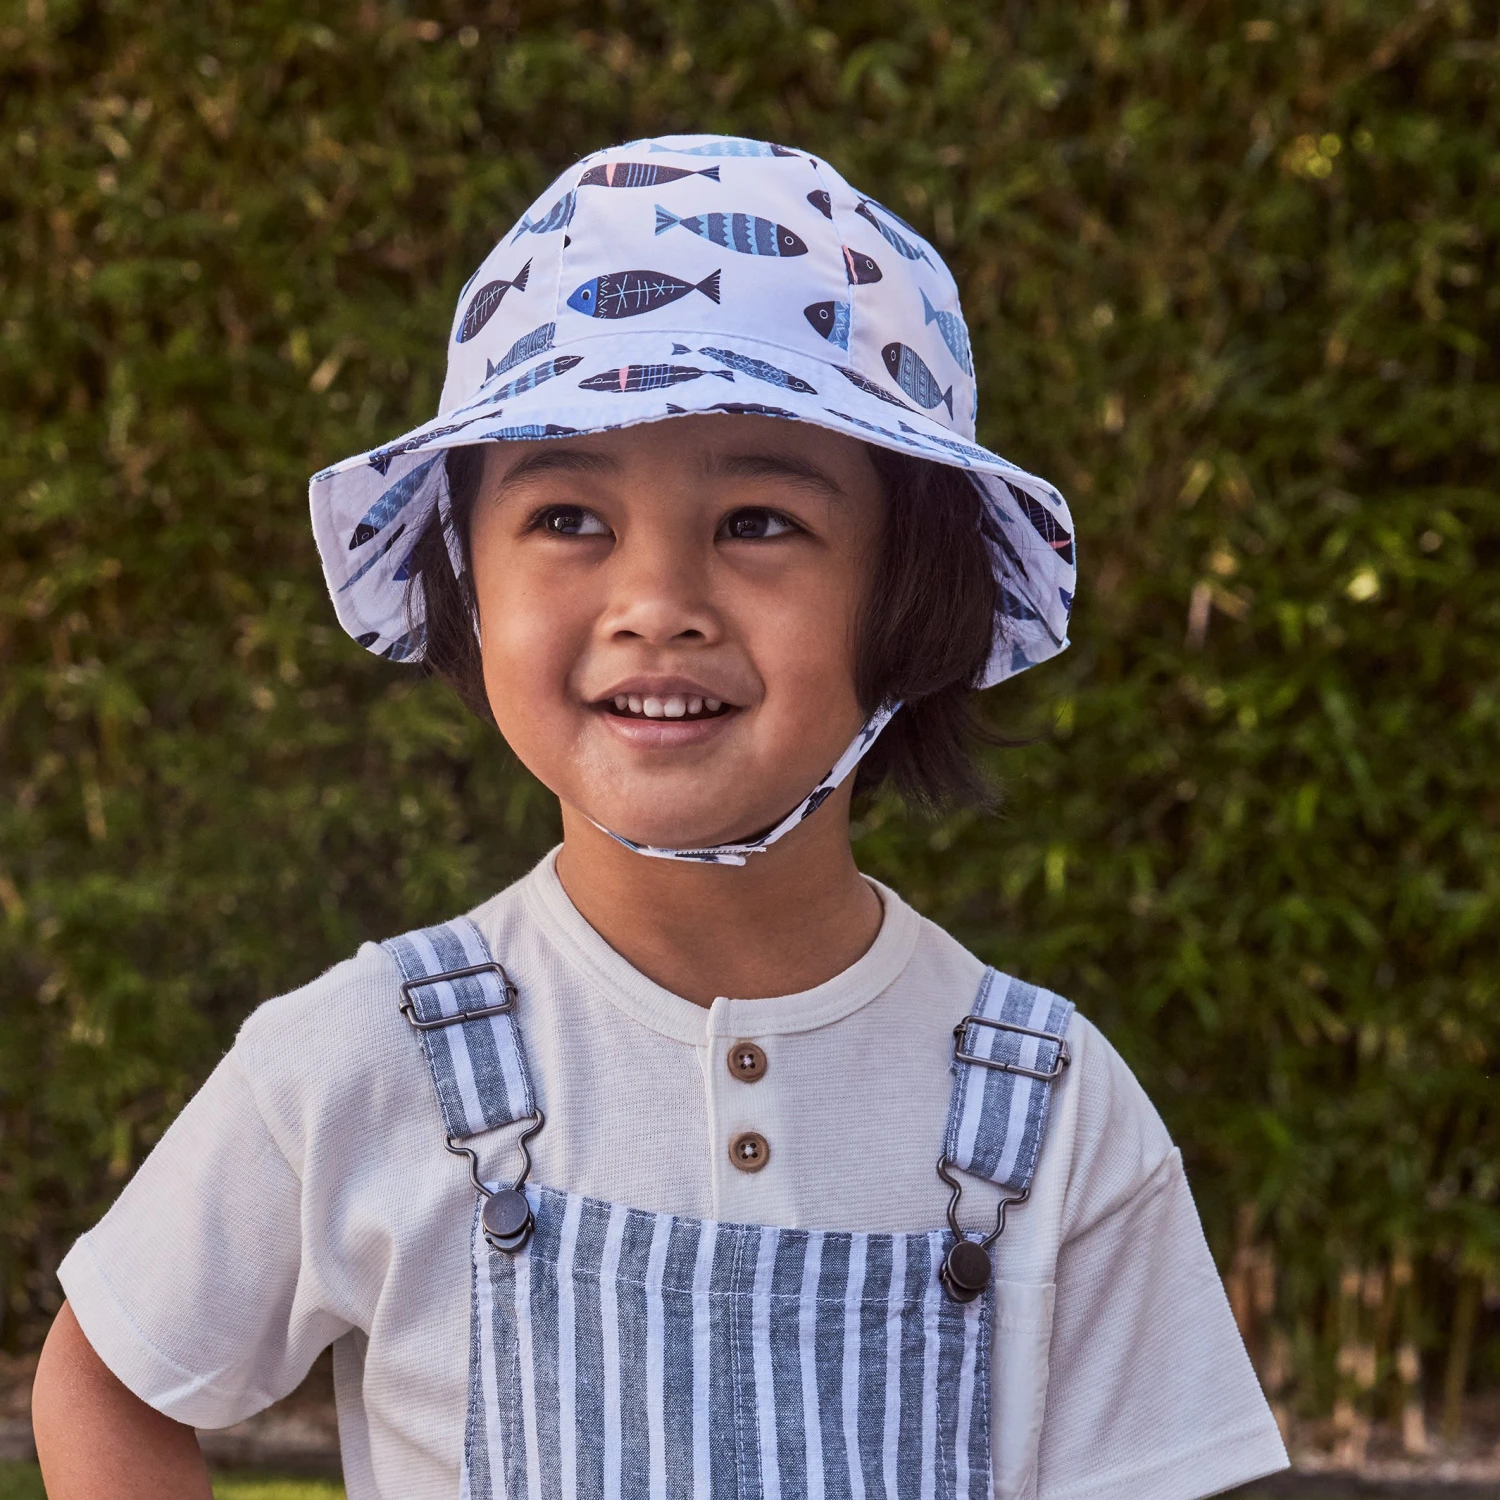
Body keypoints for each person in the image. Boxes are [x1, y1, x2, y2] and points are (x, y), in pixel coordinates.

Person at [33, 135, 1289, 1500]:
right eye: (569, 516)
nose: (657, 605)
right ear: (465, 574)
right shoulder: (365, 1062)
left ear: (911, 593)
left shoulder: (1048, 1111)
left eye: (758, 521)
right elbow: (108, 1380)